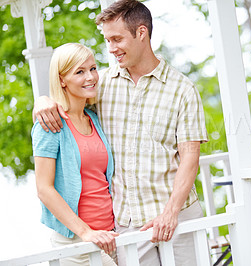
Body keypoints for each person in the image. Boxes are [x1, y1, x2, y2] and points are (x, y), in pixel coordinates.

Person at [34, 1, 208, 265]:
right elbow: (71, 93)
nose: (111, 48)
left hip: (178, 217)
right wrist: (42, 101)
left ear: (141, 33)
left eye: (117, 39)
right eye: (107, 40)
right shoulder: (101, 85)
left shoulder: (183, 90)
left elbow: (190, 157)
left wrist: (170, 213)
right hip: (128, 227)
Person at [32, 43, 119, 266]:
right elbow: (44, 189)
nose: (90, 77)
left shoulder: (94, 118)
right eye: (79, 72)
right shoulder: (50, 125)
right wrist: (86, 232)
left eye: (92, 68)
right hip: (76, 244)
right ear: (62, 80)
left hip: (110, 237)